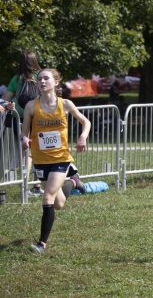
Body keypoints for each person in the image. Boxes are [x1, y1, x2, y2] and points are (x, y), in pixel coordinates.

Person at [20, 68, 91, 254]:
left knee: (47, 197)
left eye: (46, 78)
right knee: (58, 203)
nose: (42, 82)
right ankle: (72, 182)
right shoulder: (30, 106)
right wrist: (24, 139)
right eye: (39, 79)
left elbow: (86, 122)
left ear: (55, 82)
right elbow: (24, 131)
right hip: (40, 159)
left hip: (61, 159)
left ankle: (41, 244)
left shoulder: (65, 104)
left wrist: (83, 137)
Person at [3, 51, 43, 195]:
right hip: (40, 119)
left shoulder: (16, 79)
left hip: (19, 120)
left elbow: (6, 98)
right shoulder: (42, 76)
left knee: (27, 152)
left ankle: (25, 185)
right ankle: (36, 185)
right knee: (38, 152)